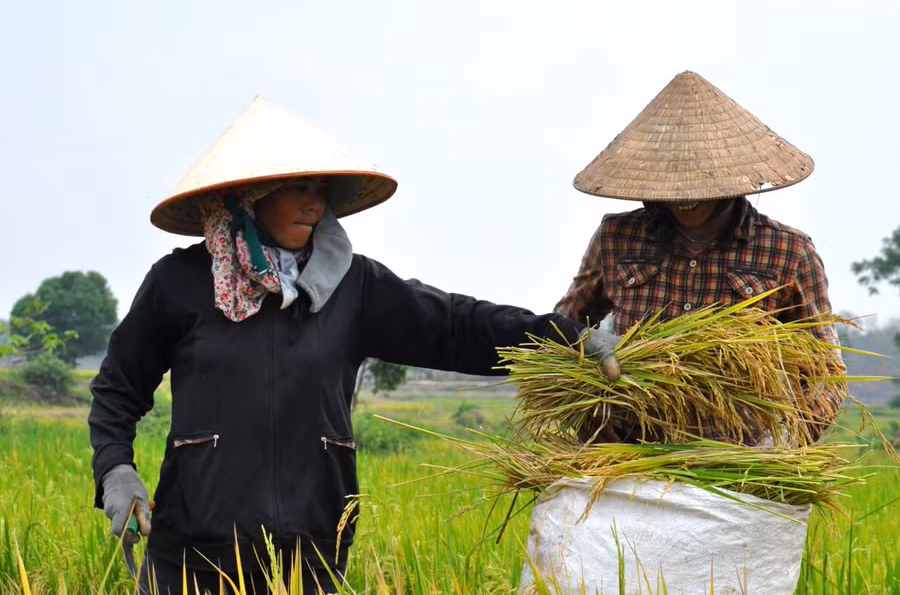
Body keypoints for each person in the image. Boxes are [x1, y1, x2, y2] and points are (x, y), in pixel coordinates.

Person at [88, 95, 615, 593]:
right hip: (194, 551)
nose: (314, 203)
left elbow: (456, 326)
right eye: (299, 188)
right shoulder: (179, 283)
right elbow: (119, 386)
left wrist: (559, 337)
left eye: (321, 190)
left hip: (310, 548)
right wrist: (116, 467)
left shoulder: (353, 286)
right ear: (250, 197)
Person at [555, 71, 844, 445]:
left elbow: (826, 372)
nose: (684, 198)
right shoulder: (617, 238)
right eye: (673, 185)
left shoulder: (788, 252)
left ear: (730, 181)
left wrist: (785, 448)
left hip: (735, 459)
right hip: (628, 452)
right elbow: (561, 334)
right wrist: (589, 421)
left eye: (699, 185)